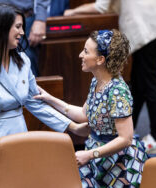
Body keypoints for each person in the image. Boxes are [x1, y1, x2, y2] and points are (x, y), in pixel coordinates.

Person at [0, 4, 88, 187]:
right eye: (17, 27)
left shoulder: (23, 61)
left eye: (22, 27)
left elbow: (35, 103)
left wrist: (72, 126)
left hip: (18, 138)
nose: (22, 32)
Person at [34, 29, 149, 187]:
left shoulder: (117, 91)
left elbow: (126, 139)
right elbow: (83, 114)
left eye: (86, 51)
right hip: (97, 155)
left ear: (100, 59)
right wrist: (50, 99)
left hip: (118, 162)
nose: (81, 55)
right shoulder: (97, 81)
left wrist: (90, 154)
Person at [63, 0, 156, 154]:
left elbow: (100, 7)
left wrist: (73, 12)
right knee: (139, 81)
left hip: (151, 28)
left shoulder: (115, 88)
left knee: (147, 82)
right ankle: (126, 128)